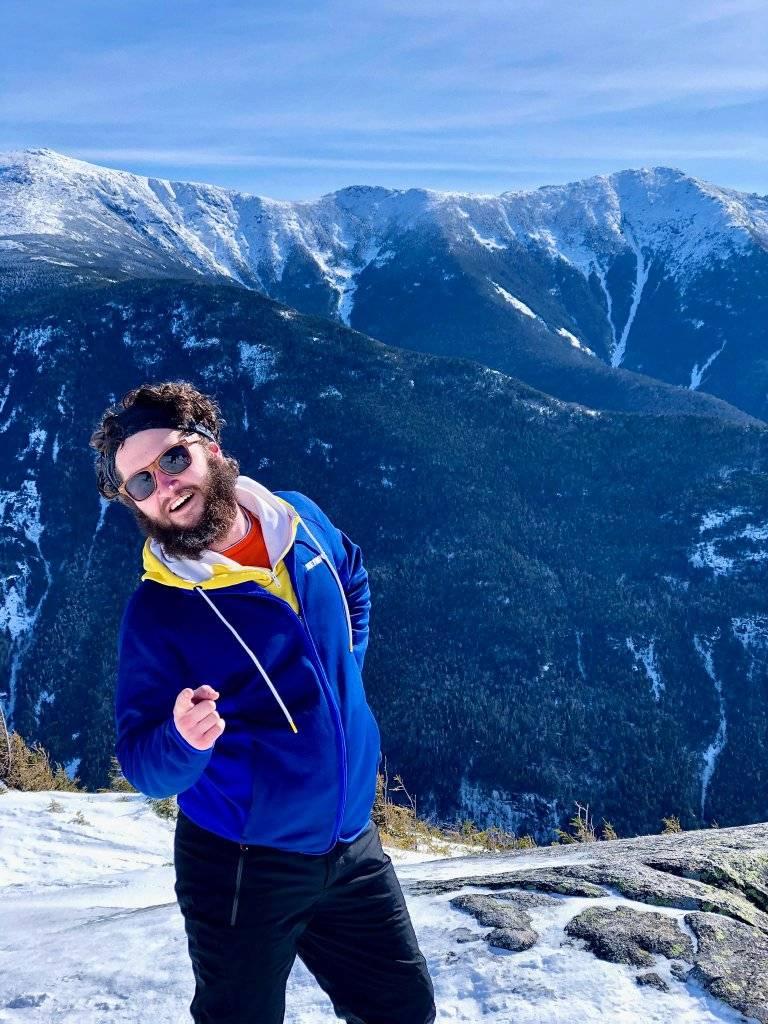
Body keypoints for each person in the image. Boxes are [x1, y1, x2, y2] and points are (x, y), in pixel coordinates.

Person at [89, 380, 437, 1024]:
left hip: (352, 844)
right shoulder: (161, 611)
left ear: (212, 450)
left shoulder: (299, 521)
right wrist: (182, 740)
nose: (162, 487)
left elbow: (352, 576)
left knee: (403, 1012)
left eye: (171, 459)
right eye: (139, 483)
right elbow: (143, 764)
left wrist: (343, 682)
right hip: (241, 866)